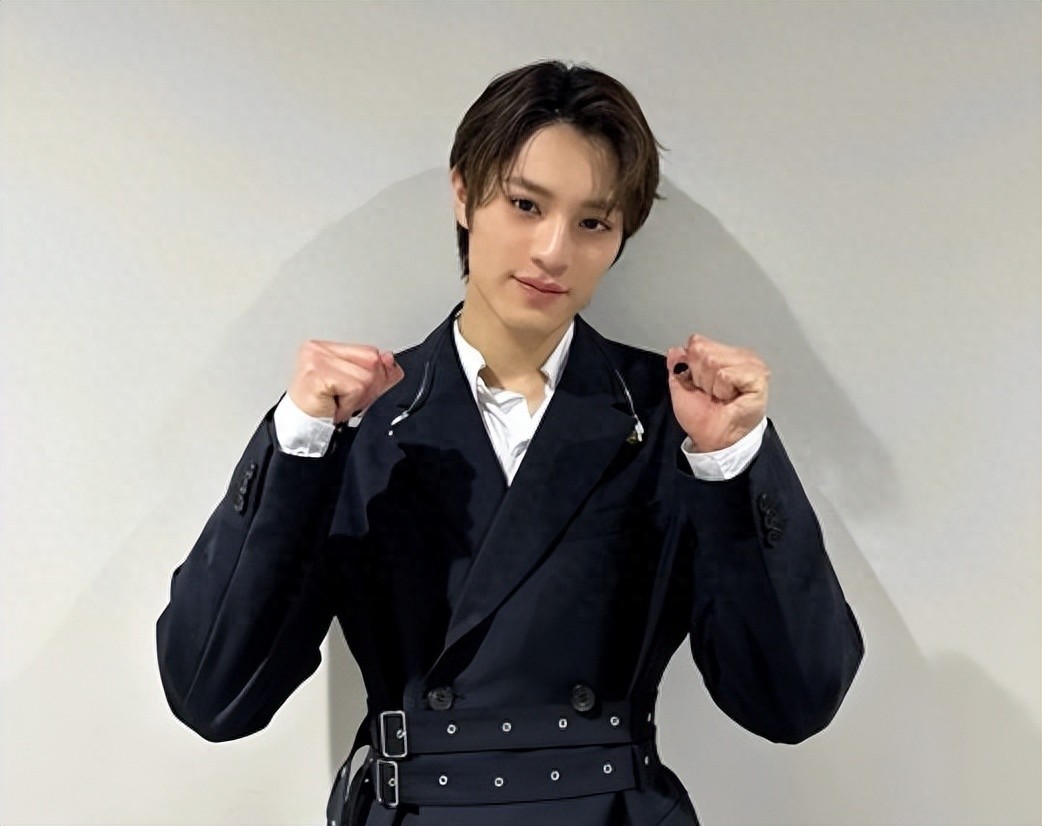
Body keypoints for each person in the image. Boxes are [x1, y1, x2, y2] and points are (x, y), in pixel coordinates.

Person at [157, 60, 863, 826]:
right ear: (464, 194)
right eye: (526, 205)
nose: (554, 251)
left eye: (593, 223)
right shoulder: (358, 421)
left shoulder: (676, 420)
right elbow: (212, 695)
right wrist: (296, 440)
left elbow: (794, 702)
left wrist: (733, 461)